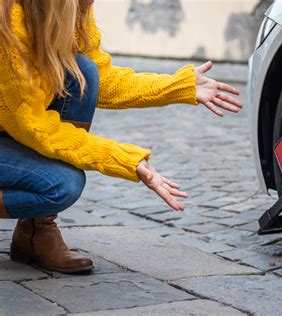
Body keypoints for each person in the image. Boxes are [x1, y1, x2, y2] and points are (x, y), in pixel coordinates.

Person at [0, 0, 242, 273]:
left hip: (13, 129)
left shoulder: (72, 6)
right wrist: (125, 160)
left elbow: (103, 81)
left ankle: (36, 233)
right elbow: (34, 126)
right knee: (62, 185)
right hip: (21, 124)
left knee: (83, 71)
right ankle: (37, 231)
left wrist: (177, 86)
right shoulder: (10, 19)